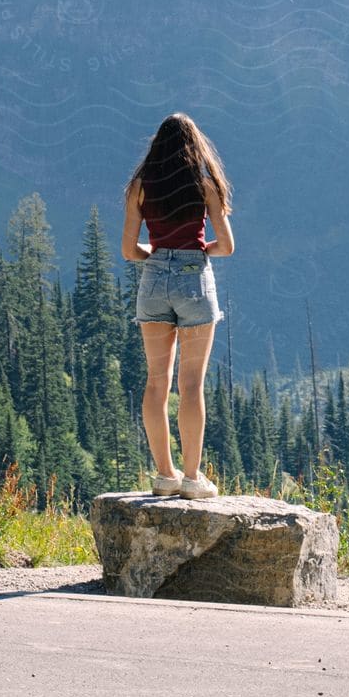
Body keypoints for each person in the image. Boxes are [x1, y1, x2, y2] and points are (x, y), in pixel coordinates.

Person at [121, 113, 235, 498]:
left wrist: (158, 253)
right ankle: (191, 478)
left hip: (153, 281)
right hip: (194, 281)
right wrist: (197, 250)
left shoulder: (140, 187)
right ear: (194, 146)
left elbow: (128, 250)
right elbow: (227, 246)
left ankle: (165, 475)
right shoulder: (205, 186)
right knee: (191, 385)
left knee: (156, 382)